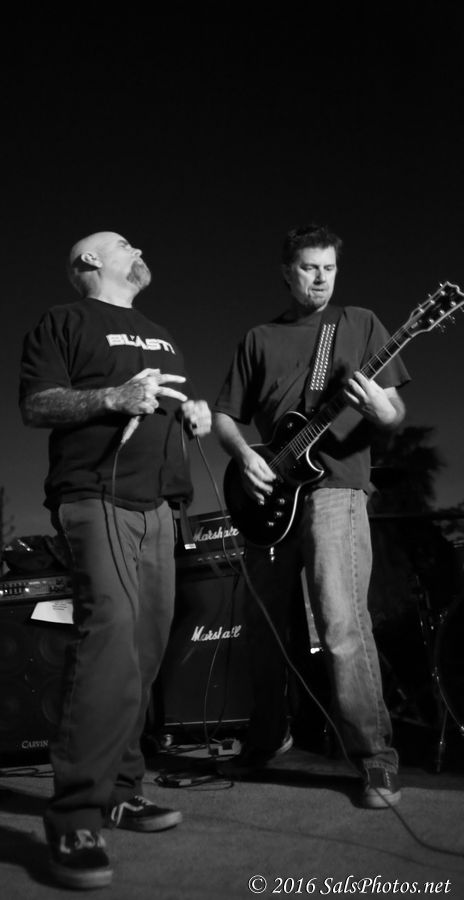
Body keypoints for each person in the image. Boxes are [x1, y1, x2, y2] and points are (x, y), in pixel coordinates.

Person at [19, 231, 211, 890]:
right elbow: (37, 403)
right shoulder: (63, 321)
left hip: (160, 509)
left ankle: (124, 790)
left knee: (144, 651)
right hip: (95, 496)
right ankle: (75, 814)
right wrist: (111, 398)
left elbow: (174, 401)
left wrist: (193, 414)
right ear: (90, 261)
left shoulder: (161, 332)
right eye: (123, 243)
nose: (138, 248)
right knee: (109, 638)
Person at [212, 224, 409, 809]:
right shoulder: (259, 337)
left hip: (336, 489)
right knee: (265, 629)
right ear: (286, 272)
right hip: (270, 499)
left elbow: (394, 410)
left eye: (329, 268)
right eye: (308, 267)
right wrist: (245, 456)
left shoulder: (360, 323)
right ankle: (269, 736)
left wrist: (379, 408)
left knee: (341, 624)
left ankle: (375, 759)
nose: (320, 278)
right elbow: (225, 416)